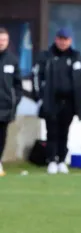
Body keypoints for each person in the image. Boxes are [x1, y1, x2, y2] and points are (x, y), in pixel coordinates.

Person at [32, 27, 81, 175]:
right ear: (56, 39)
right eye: (61, 39)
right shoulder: (46, 56)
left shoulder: (75, 56)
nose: (63, 42)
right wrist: (39, 98)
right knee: (52, 132)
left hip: (69, 102)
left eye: (66, 40)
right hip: (51, 100)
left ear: (70, 41)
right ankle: (51, 160)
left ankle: (62, 160)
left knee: (64, 132)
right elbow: (37, 76)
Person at [0, 27, 23, 177]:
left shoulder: (12, 60)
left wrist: (14, 102)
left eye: (4, 40)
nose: (1, 42)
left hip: (5, 107)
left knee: (1, 137)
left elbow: (17, 85)